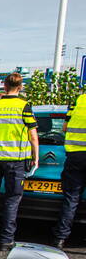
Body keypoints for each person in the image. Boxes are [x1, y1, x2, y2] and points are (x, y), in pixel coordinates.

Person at [0, 73, 39, 250]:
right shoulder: (24, 107)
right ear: (20, 87)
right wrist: (35, 158)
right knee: (12, 199)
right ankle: (6, 240)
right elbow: (33, 136)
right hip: (15, 160)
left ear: (4, 86)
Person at [51, 91, 86, 248]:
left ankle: (60, 238)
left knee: (71, 198)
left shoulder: (78, 100)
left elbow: (65, 127)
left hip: (75, 154)